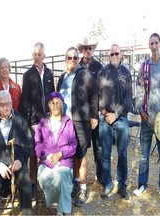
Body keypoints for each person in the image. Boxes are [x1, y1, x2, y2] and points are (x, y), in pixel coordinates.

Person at [133, 33, 160, 203]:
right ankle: (142, 185)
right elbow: (138, 91)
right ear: (149, 45)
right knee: (144, 156)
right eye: (151, 43)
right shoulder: (144, 67)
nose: (154, 46)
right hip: (147, 120)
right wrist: (140, 111)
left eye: (156, 43)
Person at [57, 47, 98, 207]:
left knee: (80, 155)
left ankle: (83, 188)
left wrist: (94, 116)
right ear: (65, 59)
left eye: (75, 57)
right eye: (70, 57)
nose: (73, 60)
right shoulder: (62, 77)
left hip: (81, 122)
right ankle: (75, 182)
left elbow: (94, 95)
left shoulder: (85, 74)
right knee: (71, 154)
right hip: (65, 122)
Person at [0, 90, 33, 215]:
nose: (5, 107)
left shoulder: (20, 119)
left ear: (11, 103)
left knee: (26, 180)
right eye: (2, 105)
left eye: (8, 104)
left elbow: (28, 142)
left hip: (16, 163)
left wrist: (20, 160)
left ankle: (27, 213)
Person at [97, 44, 133, 200]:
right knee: (105, 154)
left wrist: (116, 114)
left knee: (122, 154)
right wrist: (105, 113)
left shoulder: (126, 73)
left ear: (121, 54)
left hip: (121, 119)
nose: (114, 55)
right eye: (111, 53)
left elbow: (129, 99)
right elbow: (96, 97)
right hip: (105, 119)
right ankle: (107, 184)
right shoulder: (102, 72)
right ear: (108, 54)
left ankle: (122, 186)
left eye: (116, 53)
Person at [19, 42, 55, 196]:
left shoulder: (49, 74)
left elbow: (53, 96)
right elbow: (24, 101)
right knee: (33, 154)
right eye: (34, 54)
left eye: (39, 54)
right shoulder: (28, 75)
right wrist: (27, 122)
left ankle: (47, 182)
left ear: (44, 56)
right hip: (34, 122)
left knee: (48, 152)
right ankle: (33, 183)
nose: (36, 57)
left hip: (48, 121)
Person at [35, 92, 77, 215]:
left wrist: (60, 154)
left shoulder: (68, 122)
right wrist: (48, 155)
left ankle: (63, 210)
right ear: (49, 105)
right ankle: (62, 206)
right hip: (47, 161)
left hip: (64, 160)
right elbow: (37, 144)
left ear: (62, 105)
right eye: (52, 103)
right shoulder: (42, 122)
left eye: (58, 103)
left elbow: (73, 145)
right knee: (44, 177)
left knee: (63, 176)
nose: (55, 105)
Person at [77, 37, 103, 183]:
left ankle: (99, 176)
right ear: (82, 50)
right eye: (85, 48)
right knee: (81, 148)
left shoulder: (99, 67)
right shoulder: (77, 66)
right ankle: (80, 179)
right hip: (81, 114)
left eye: (90, 48)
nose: (87, 51)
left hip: (95, 113)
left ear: (93, 50)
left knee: (97, 147)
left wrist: (98, 111)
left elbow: (101, 90)